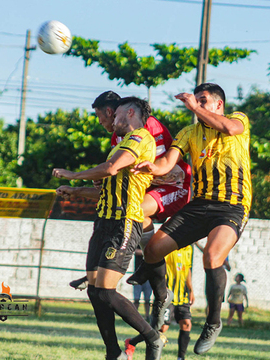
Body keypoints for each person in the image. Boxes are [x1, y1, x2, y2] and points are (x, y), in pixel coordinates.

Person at [128, 83, 252, 355]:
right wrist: (153, 167)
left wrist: (195, 108)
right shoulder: (188, 133)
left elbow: (230, 129)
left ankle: (213, 322)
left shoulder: (238, 120)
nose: (196, 105)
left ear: (219, 105)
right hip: (199, 205)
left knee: (211, 257)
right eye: (195, 101)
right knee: (152, 250)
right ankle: (162, 298)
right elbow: (167, 163)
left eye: (203, 101)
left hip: (232, 206)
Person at [52, 96, 164, 360]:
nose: (112, 120)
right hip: (103, 223)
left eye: (117, 115)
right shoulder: (119, 145)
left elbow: (111, 169)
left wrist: (73, 174)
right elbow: (103, 189)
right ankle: (112, 352)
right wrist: (76, 191)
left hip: (124, 222)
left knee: (105, 290)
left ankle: (152, 337)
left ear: (131, 113)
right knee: (94, 290)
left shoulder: (140, 138)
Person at [68, 91, 191, 322]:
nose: (102, 122)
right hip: (149, 189)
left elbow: (165, 169)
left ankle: (151, 275)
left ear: (110, 111)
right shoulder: (119, 135)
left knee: (132, 209)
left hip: (175, 187)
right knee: (122, 209)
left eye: (100, 116)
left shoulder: (148, 127)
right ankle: (107, 266)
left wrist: (93, 174)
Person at [124, 245, 195, 360]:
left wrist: (191, 289)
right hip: (167, 295)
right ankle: (132, 342)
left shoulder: (188, 249)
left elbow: (187, 270)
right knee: (161, 328)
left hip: (182, 295)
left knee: (186, 324)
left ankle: (181, 358)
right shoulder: (168, 246)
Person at [132, 246, 153, 321]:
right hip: (137, 276)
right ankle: (134, 315)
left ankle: (147, 316)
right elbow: (135, 251)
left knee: (147, 299)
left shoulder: (151, 241)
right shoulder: (138, 242)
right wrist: (145, 252)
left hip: (148, 276)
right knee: (136, 299)